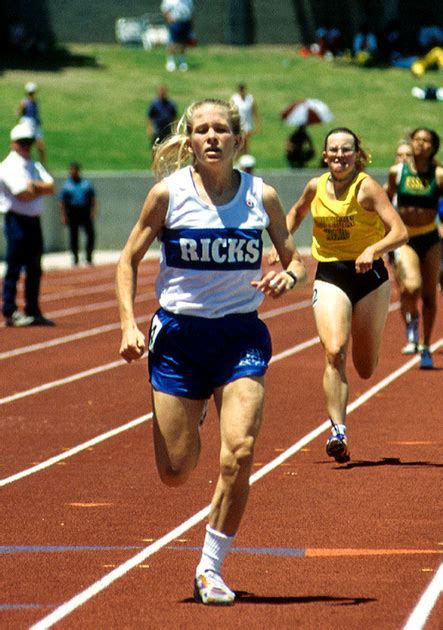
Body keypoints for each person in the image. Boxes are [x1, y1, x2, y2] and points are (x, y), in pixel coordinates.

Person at [115, 98, 307, 605]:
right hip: (178, 338)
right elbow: (128, 260)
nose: (213, 137)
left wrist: (288, 276)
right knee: (176, 471)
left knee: (240, 453)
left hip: (240, 337)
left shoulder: (260, 196)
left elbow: (296, 261)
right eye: (202, 130)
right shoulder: (168, 195)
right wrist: (127, 326)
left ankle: (210, 567)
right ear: (191, 140)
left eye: (222, 129)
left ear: (238, 140)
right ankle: (193, 412)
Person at [270, 127, 408, 463]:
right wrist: (281, 244)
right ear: (325, 154)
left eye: (347, 150)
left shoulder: (368, 188)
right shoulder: (315, 186)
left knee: (364, 367)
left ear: (357, 154)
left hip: (370, 278)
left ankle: (365, 358)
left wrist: (373, 249)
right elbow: (295, 214)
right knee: (333, 350)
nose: (340, 155)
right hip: (331, 274)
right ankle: (338, 431)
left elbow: (400, 232)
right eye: (334, 150)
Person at [387, 128, 443, 368]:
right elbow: (387, 202)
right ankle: (413, 321)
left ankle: (426, 345)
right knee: (411, 286)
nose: (421, 144)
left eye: (426, 140)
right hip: (407, 238)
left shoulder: (439, 175)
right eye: (417, 139)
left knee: (430, 296)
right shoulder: (397, 173)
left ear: (433, 147)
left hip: (430, 237)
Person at [0, 121, 55, 327]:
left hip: (33, 220)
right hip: (16, 219)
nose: (26, 147)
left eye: (29, 142)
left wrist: (35, 187)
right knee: (14, 266)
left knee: (34, 267)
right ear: (14, 143)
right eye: (23, 142)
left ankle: (32, 309)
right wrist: (37, 188)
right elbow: (21, 194)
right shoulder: (8, 166)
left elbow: (51, 187)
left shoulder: (33, 165)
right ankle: (10, 310)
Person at [59, 161, 97, 267]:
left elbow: (93, 198)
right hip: (73, 211)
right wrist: (63, 215)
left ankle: (89, 257)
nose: (73, 172)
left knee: (90, 234)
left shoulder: (86, 184)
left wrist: (93, 211)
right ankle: (75, 258)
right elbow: (62, 202)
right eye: (71, 170)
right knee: (73, 236)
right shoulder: (67, 185)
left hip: (84, 210)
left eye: (75, 170)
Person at [17, 81, 46, 165]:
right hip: (27, 124)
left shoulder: (35, 102)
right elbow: (19, 112)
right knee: (27, 144)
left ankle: (42, 164)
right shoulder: (24, 102)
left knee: (40, 146)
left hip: (35, 124)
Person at [161, 0, 194, 72]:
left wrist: (190, 23)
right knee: (173, 42)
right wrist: (169, 19)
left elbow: (190, 11)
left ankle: (181, 60)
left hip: (185, 22)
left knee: (183, 43)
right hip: (175, 22)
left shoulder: (188, 1)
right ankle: (170, 61)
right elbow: (164, 10)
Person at [230, 84, 261, 155]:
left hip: (248, 126)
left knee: (245, 145)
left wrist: (258, 125)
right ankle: (238, 161)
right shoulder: (234, 99)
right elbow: (230, 111)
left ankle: (245, 160)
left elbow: (255, 112)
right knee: (241, 145)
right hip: (238, 126)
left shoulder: (250, 99)